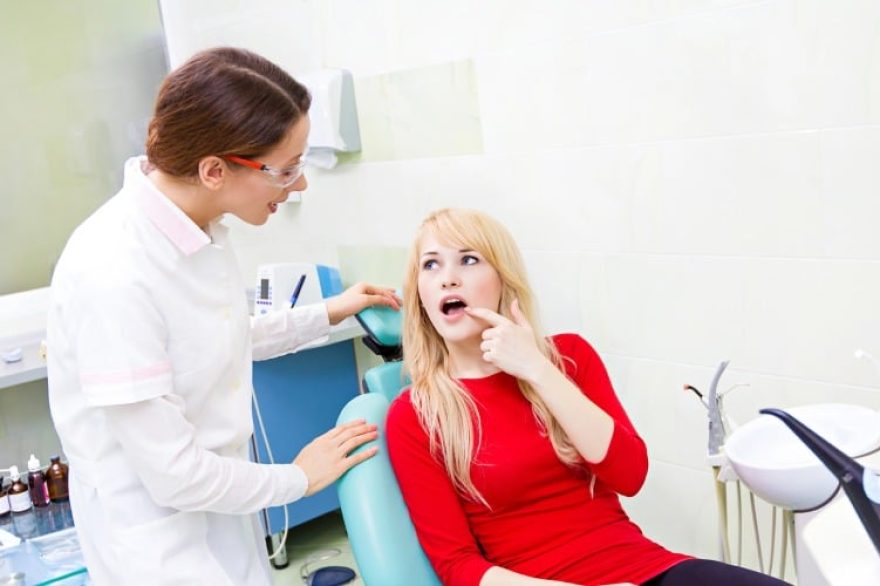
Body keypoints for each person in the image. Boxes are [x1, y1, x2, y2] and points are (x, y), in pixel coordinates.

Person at [46, 47, 399, 585]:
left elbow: (218, 337)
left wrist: (329, 312)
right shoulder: (113, 270)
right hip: (157, 540)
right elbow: (175, 477)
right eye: (286, 169)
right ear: (214, 170)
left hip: (220, 509)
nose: (300, 184)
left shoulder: (195, 226)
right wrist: (298, 478)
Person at [385, 208, 791, 586]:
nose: (448, 278)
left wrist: (538, 370)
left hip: (642, 566)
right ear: (419, 293)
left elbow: (630, 475)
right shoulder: (415, 415)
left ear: (503, 280)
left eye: (468, 259)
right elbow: (458, 566)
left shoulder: (569, 358)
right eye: (431, 264)